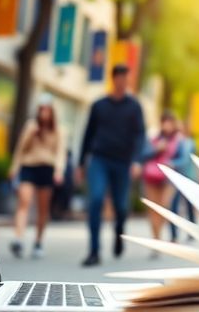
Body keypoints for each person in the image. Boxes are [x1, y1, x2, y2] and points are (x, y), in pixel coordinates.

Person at [77, 64, 147, 266]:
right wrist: (81, 163)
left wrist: (136, 160)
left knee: (121, 207)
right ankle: (94, 251)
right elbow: (88, 134)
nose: (123, 82)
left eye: (127, 79)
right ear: (114, 79)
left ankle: (119, 231)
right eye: (120, 78)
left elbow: (140, 136)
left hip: (123, 163)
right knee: (96, 199)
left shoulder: (134, 107)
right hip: (100, 159)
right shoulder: (99, 105)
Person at [7, 96, 66, 259]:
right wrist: (14, 167)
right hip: (29, 167)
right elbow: (20, 148)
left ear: (51, 111)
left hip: (47, 169)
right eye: (41, 109)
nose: (44, 112)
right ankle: (18, 239)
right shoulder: (31, 127)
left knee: (43, 208)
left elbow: (60, 152)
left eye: (47, 109)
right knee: (24, 202)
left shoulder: (58, 130)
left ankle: (38, 241)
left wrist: (59, 171)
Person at [142, 112, 182, 254]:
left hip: (168, 178)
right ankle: (156, 239)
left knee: (164, 207)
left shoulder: (179, 140)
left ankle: (158, 236)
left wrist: (172, 163)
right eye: (164, 121)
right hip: (151, 176)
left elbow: (183, 159)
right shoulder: (153, 138)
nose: (166, 125)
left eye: (169, 122)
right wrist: (156, 149)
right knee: (153, 208)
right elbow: (143, 155)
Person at [168, 125, 197, 243]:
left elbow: (184, 160)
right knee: (174, 205)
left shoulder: (189, 143)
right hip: (177, 179)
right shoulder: (176, 142)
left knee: (189, 206)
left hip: (187, 179)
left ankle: (192, 231)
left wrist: (171, 163)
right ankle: (174, 235)